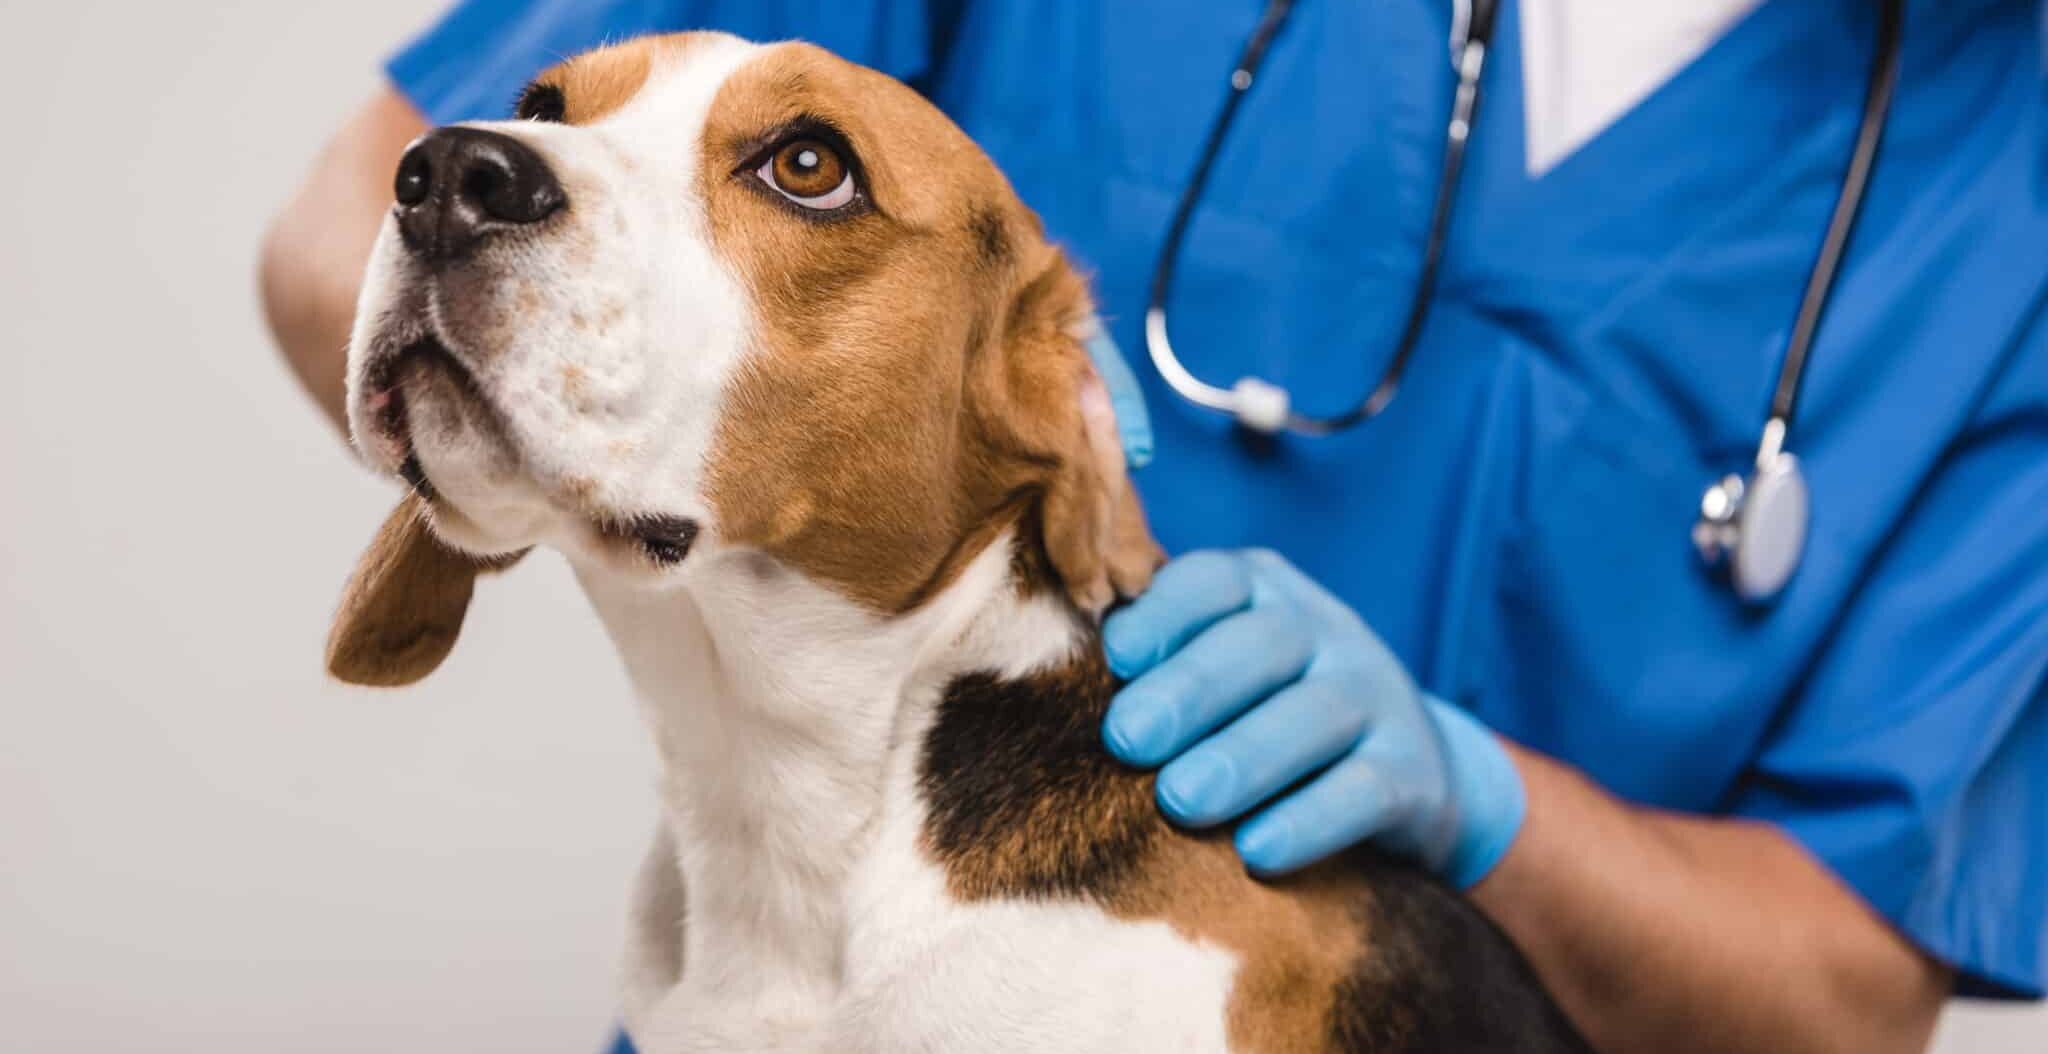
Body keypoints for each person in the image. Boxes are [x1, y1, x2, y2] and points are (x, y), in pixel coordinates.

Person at [261, 2, 2047, 1051]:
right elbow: (375, 217)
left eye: (800, 172)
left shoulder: (2010, 171)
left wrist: (1465, 786)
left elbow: (1840, 980)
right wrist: (587, 448)